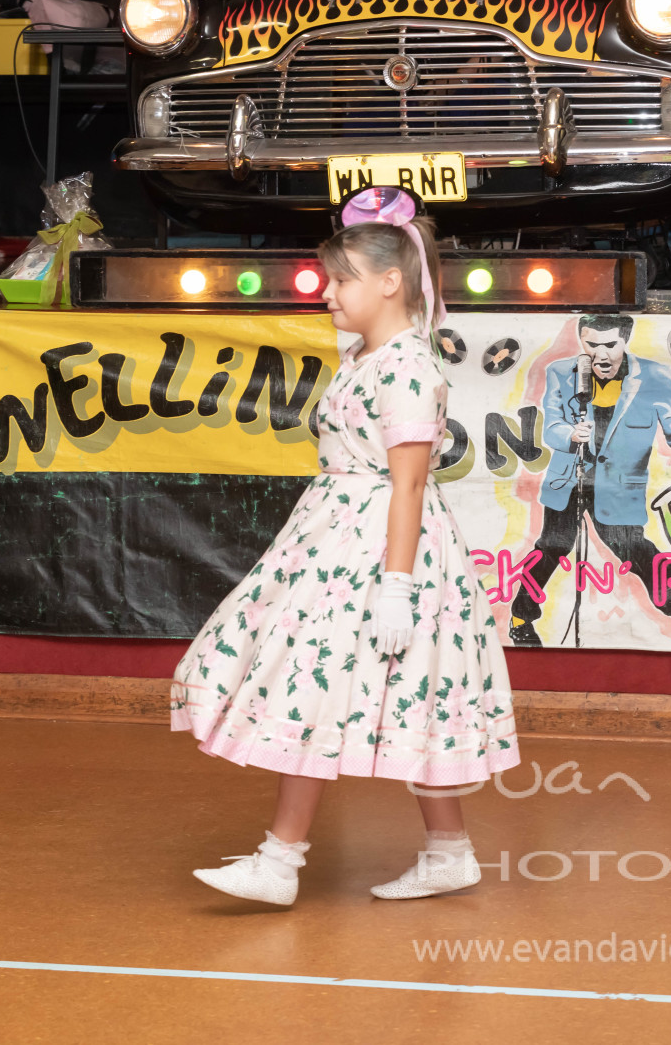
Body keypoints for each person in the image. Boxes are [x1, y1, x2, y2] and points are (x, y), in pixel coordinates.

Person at [171, 186, 520, 906]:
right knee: (352, 689)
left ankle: (281, 861)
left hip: (378, 549)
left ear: (390, 282)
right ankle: (444, 852)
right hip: (336, 540)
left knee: (318, 684)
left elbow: (410, 485)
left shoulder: (407, 368)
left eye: (341, 279)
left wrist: (396, 586)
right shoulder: (369, 356)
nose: (326, 293)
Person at [509, 314, 671, 652]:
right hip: (569, 480)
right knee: (551, 546)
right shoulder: (562, 372)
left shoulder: (654, 375)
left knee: (639, 552)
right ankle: (520, 619)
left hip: (619, 486)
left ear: (625, 340)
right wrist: (569, 434)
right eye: (592, 345)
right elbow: (552, 424)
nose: (601, 354)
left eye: (610, 344)